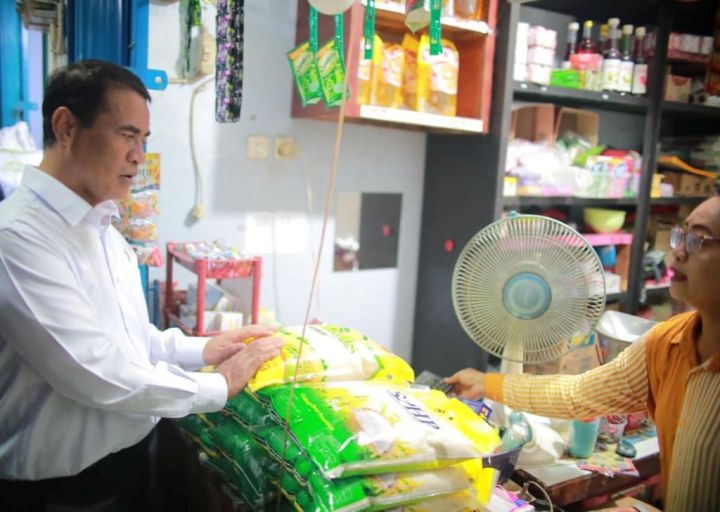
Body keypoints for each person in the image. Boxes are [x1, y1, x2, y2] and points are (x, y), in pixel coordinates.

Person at [0, 60, 284, 511]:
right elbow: (95, 371)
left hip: (126, 465)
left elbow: (129, 342)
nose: (139, 156)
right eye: (127, 135)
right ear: (66, 126)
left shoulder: (102, 228)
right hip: (59, 492)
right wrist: (218, 386)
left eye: (144, 140)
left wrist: (204, 350)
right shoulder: (18, 237)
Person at [446, 196, 720, 511]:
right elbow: (579, 394)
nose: (678, 252)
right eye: (681, 236)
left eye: (698, 239)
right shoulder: (668, 344)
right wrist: (486, 383)